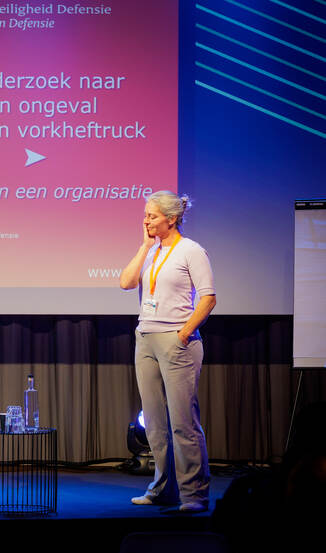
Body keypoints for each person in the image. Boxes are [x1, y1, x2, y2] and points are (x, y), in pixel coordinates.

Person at [119, 190, 217, 513]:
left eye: (152, 216)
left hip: (177, 340)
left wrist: (184, 334)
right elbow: (126, 282)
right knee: (156, 425)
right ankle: (163, 490)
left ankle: (194, 495)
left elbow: (207, 298)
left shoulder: (191, 251)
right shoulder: (151, 250)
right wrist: (145, 245)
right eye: (146, 215)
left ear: (171, 219)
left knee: (182, 422)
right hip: (145, 337)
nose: (145, 220)